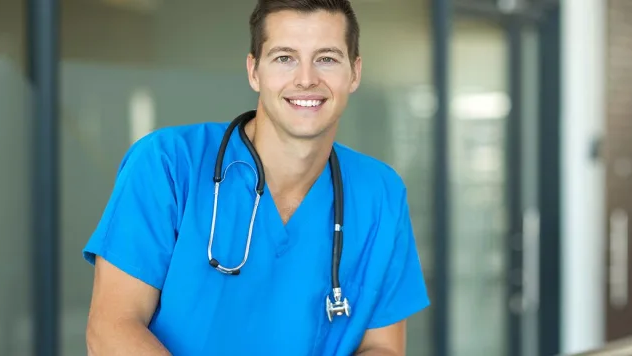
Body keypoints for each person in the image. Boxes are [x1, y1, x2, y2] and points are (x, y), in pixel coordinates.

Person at [82, 0, 430, 355]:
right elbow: (111, 329)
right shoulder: (168, 164)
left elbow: (382, 347)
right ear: (254, 71)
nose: (307, 78)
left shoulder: (380, 193)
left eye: (327, 58)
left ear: (354, 73)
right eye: (284, 58)